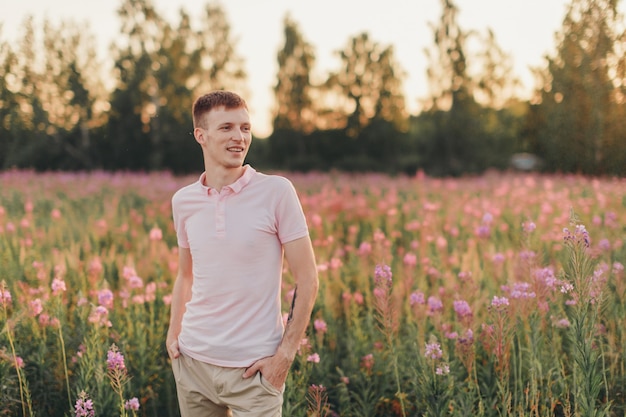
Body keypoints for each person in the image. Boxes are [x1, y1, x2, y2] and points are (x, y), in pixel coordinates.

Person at [166, 90, 318, 417]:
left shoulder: (276, 192)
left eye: (246, 128)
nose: (240, 137)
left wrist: (285, 357)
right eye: (227, 128)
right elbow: (185, 274)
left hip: (255, 372)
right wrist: (173, 333)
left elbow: (308, 279)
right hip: (193, 365)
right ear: (200, 135)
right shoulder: (184, 201)